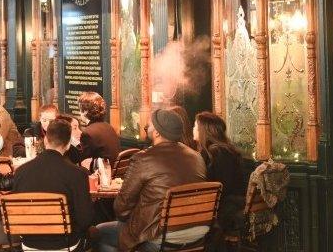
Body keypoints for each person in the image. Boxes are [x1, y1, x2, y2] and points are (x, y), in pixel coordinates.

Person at [96, 108, 207, 252]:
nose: (147, 124)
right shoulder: (196, 157)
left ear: (157, 132)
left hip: (160, 234)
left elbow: (121, 208)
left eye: (150, 123)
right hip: (197, 231)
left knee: (100, 232)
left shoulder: (144, 158)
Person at [13, 119, 93, 250]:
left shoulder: (21, 171)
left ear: (45, 141)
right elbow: (85, 220)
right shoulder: (77, 174)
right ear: (68, 144)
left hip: (29, 244)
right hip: (65, 244)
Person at [194, 112, 245, 239]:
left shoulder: (217, 153)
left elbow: (222, 187)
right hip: (228, 204)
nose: (193, 129)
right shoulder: (223, 150)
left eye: (195, 126)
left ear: (204, 130)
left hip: (225, 209)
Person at [77, 92, 120, 163]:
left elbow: (84, 161)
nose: (79, 113)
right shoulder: (108, 126)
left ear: (85, 111)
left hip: (102, 172)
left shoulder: (88, 133)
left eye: (80, 109)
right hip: (114, 170)